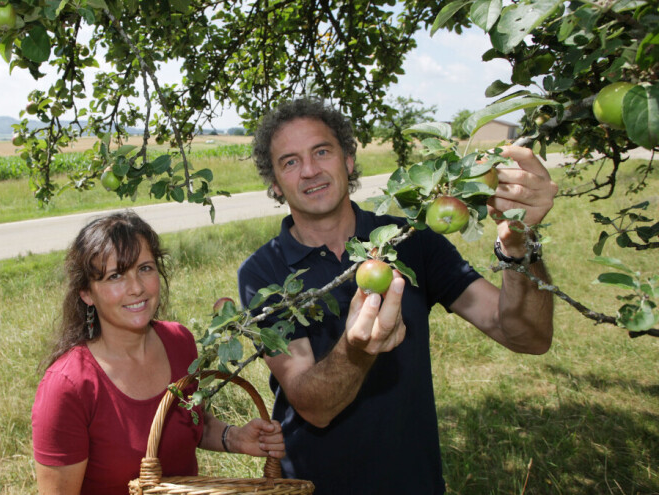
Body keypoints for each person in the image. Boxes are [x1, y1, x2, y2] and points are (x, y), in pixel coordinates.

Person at [237, 98, 557, 494]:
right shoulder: (263, 274)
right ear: (274, 182)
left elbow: (526, 336)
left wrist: (519, 246)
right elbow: (312, 406)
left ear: (349, 160)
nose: (309, 171)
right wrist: (357, 352)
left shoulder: (411, 241)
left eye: (322, 151)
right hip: (312, 485)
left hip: (414, 482)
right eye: (289, 161)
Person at [32, 210, 285, 495]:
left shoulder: (180, 342)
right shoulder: (68, 387)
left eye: (145, 268)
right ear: (87, 293)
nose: (137, 288)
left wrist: (233, 437)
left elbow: (189, 422)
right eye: (116, 276)